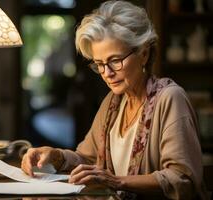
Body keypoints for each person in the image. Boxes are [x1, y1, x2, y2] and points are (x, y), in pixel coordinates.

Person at [21, 1, 208, 199]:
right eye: (99, 64)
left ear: (143, 54)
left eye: (115, 61)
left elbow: (182, 179)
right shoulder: (113, 102)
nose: (107, 73)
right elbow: (88, 158)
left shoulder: (170, 99)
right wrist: (55, 155)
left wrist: (116, 181)